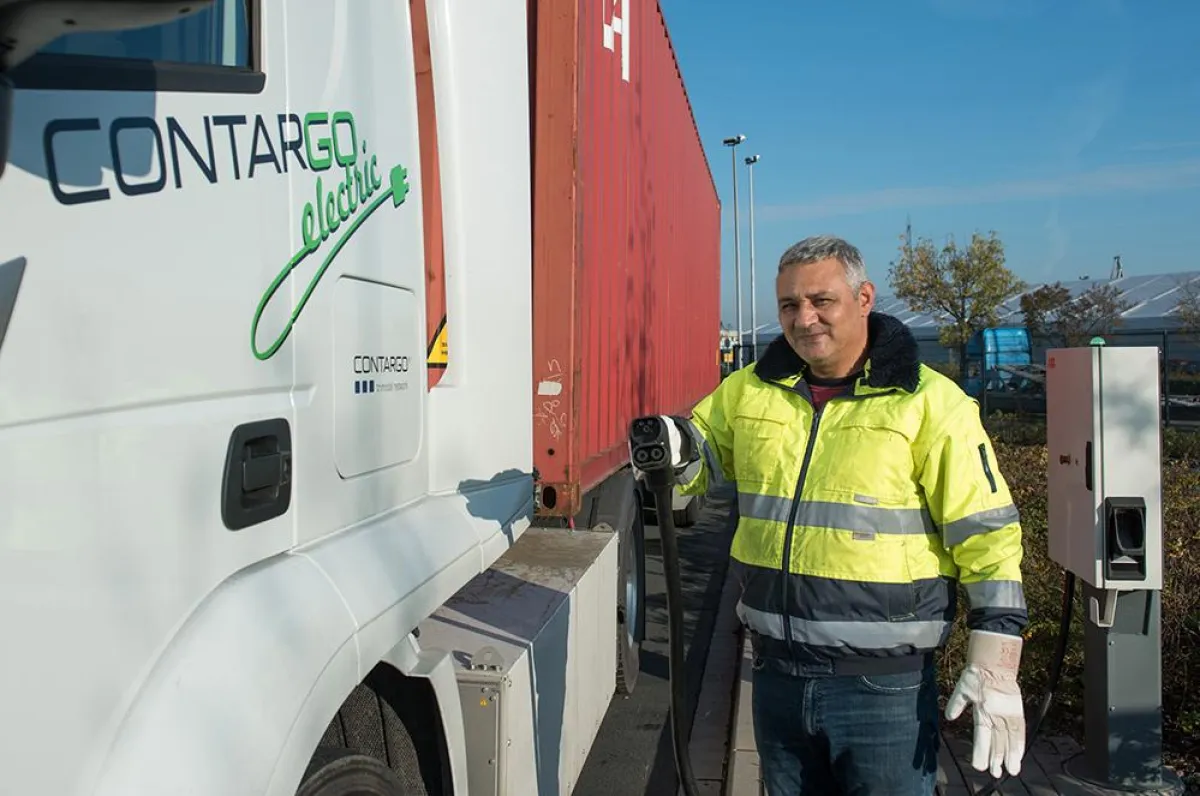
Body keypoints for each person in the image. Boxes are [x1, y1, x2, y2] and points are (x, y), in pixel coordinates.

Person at [630, 235, 1028, 796]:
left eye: (822, 301)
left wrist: (996, 661)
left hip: (883, 691)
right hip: (776, 676)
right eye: (789, 305)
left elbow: (986, 535)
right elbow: (701, 458)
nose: (804, 319)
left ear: (864, 298)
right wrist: (675, 448)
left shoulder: (930, 404)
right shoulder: (750, 391)